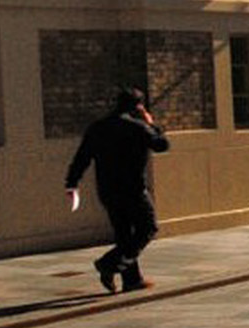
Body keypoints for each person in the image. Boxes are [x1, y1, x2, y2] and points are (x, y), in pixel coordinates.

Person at [64, 88, 170, 292]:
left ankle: (131, 280)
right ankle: (108, 264)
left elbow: (82, 158)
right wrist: (150, 124)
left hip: (107, 190)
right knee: (147, 228)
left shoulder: (97, 128)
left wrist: (72, 181)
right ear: (138, 106)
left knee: (124, 234)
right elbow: (162, 145)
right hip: (133, 190)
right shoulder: (138, 127)